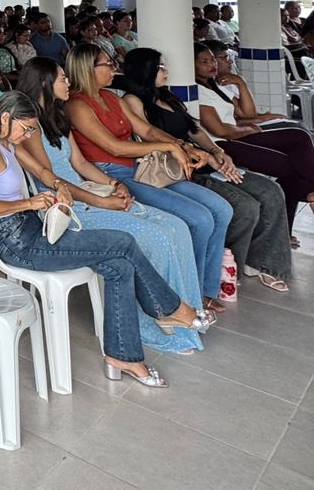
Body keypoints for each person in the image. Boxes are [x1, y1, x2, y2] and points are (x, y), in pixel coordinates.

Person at [0, 93, 206, 386]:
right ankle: (170, 309)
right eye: (26, 128)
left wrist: (58, 183)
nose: (28, 134)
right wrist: (30, 203)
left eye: (32, 129)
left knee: (120, 267)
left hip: (31, 229)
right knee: (123, 242)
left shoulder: (9, 144)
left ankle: (124, 357)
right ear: (5, 118)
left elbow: (42, 170)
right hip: (16, 242)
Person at [15, 58, 210, 351]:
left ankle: (185, 310)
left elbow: (79, 163)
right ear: (44, 83)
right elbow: (52, 181)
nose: (68, 83)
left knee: (176, 227)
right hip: (68, 204)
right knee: (154, 238)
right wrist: (102, 201)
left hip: (88, 192)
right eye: (62, 79)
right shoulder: (29, 128)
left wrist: (113, 184)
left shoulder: (56, 116)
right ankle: (157, 322)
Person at [65, 44, 233, 314]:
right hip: (111, 175)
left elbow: (145, 129)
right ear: (87, 69)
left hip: (140, 169)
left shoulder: (111, 97)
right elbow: (114, 147)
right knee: (199, 218)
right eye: (107, 64)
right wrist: (166, 148)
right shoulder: (76, 105)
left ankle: (204, 288)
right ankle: (189, 296)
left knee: (221, 210)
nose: (113, 69)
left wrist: (182, 146)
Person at [121, 48, 292, 290]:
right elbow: (148, 136)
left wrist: (217, 152)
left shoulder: (167, 97)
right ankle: (228, 267)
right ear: (145, 70)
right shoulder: (133, 101)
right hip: (181, 169)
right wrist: (189, 151)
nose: (166, 70)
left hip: (204, 161)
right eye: (160, 66)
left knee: (270, 190)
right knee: (245, 206)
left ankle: (263, 262)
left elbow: (195, 130)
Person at [194, 43, 314, 233]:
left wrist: (240, 82)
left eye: (212, 60)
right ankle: (311, 191)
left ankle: (290, 225)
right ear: (192, 65)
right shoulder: (197, 92)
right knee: (295, 148)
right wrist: (249, 129)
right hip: (224, 144)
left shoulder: (216, 85)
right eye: (205, 61)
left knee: (298, 140)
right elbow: (222, 130)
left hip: (236, 135)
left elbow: (244, 114)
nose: (213, 65)